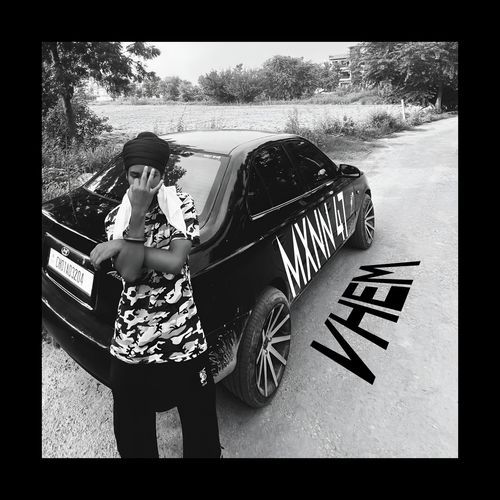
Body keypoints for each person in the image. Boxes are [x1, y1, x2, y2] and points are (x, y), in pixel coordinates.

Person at [90, 132, 222, 458]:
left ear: (163, 175)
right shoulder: (117, 217)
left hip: (183, 338)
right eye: (135, 175)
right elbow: (130, 273)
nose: (142, 185)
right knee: (133, 438)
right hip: (132, 343)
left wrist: (121, 244)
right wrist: (136, 216)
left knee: (202, 435)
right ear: (126, 175)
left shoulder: (180, 205)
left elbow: (175, 262)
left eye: (151, 176)